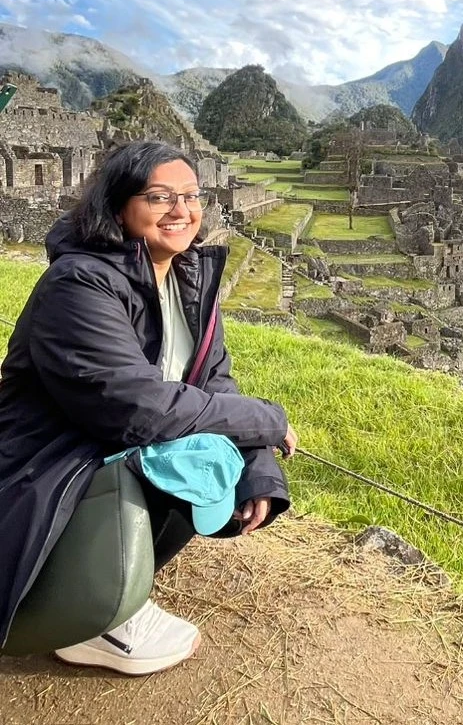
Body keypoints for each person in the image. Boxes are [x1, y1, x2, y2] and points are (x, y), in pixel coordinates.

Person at [0, 141, 297, 675]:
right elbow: (138, 409)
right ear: (118, 207)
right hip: (45, 463)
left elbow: (214, 381)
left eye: (190, 196)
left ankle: (103, 585)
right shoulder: (80, 284)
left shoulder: (185, 278)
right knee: (182, 453)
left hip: (102, 452)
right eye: (160, 197)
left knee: (208, 456)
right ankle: (87, 611)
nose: (181, 211)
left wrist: (258, 463)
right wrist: (267, 420)